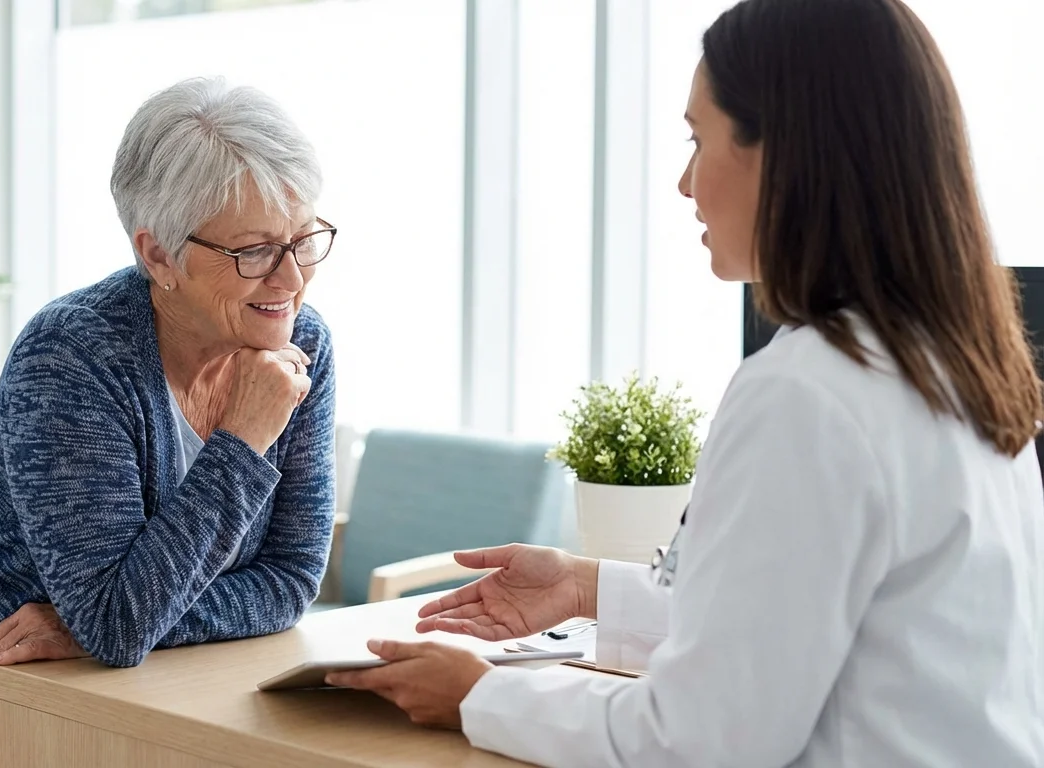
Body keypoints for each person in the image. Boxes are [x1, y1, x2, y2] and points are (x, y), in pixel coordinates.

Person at [327, 0, 1044, 765]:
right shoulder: (956, 368)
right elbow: (798, 627)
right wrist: (587, 587)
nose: (682, 183)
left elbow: (701, 740)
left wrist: (478, 696)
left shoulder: (807, 395)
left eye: (698, 139)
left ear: (785, 153)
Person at [0, 77, 339, 767]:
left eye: (304, 239)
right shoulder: (73, 356)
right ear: (158, 254)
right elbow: (116, 622)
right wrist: (243, 442)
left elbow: (289, 582)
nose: (290, 281)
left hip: (130, 714)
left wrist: (111, 623)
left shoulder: (301, 345)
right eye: (253, 252)